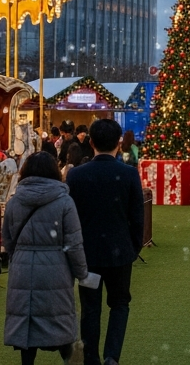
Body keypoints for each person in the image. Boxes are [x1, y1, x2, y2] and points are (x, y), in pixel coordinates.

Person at [67, 118, 145, 365]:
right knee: (120, 304)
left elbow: (71, 218)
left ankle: (91, 358)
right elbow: (137, 217)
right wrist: (133, 247)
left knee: (90, 308)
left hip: (88, 253)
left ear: (91, 142)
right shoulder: (129, 174)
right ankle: (112, 356)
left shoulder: (76, 175)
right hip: (120, 252)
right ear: (118, 143)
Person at [2, 151, 91, 365]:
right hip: (55, 269)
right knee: (60, 324)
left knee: (26, 327)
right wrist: (82, 273)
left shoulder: (15, 202)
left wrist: (20, 255)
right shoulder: (64, 202)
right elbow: (74, 243)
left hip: (22, 270)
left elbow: (8, 239)